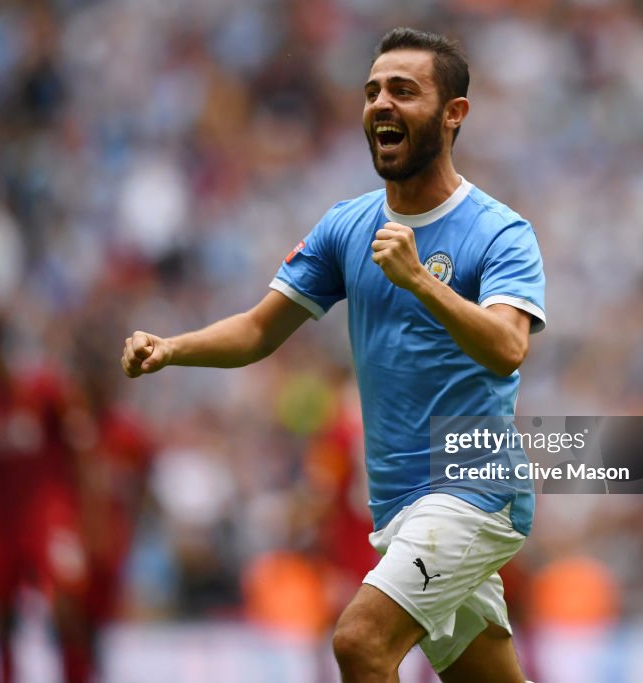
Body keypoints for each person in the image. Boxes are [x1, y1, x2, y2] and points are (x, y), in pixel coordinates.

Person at [121, 27, 545, 683]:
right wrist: (171, 348)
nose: (381, 103)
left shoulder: (499, 231)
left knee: (359, 642)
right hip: (399, 503)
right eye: (372, 91)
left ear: (453, 114)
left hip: (474, 489)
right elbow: (260, 330)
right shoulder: (347, 225)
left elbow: (508, 346)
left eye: (403, 90)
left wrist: (420, 281)